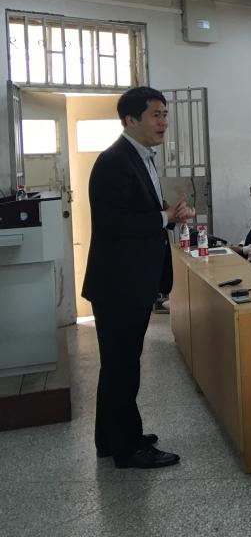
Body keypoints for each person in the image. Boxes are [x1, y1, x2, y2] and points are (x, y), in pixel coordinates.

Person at [83, 86, 193, 469]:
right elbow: (112, 224)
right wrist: (164, 217)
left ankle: (109, 439)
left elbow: (137, 210)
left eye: (165, 114)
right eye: (155, 115)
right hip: (119, 283)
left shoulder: (139, 157)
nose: (164, 122)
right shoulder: (114, 160)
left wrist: (168, 215)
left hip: (131, 280)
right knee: (123, 368)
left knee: (118, 364)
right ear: (130, 120)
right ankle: (129, 448)